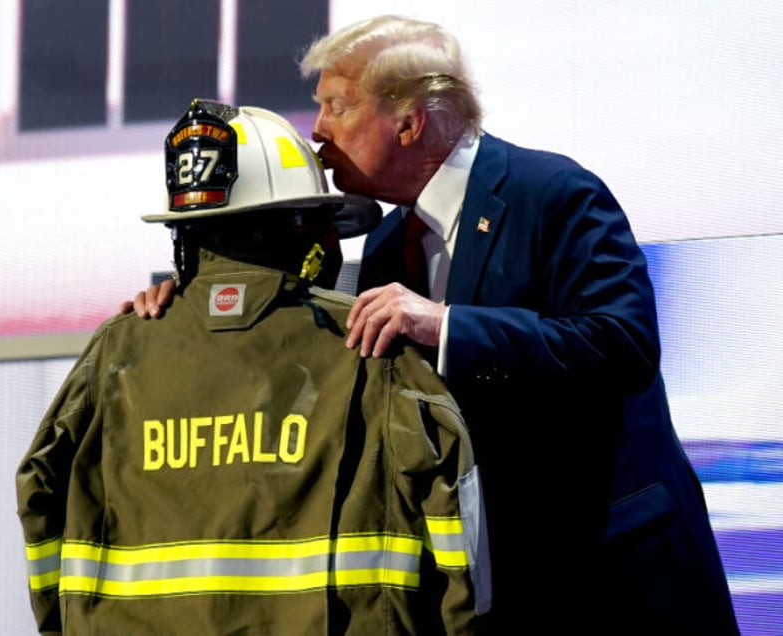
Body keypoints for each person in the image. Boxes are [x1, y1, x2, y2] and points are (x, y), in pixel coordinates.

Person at [126, 16, 741, 635]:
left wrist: (448, 327)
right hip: (502, 590)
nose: (318, 132)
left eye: (337, 106)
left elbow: (623, 344)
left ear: (411, 122)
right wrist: (194, 299)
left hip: (615, 579)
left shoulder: (553, 193)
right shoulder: (392, 241)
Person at [17, 99, 491, 635]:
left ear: (187, 236)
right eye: (325, 225)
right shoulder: (373, 350)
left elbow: (40, 493)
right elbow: (459, 535)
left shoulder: (116, 351)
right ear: (298, 228)